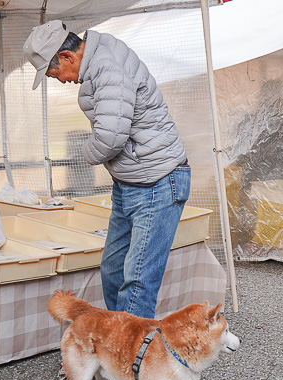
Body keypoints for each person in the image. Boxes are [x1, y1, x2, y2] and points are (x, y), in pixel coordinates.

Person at [24, 21, 190, 319]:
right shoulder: (98, 61)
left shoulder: (107, 68)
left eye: (54, 73)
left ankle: (132, 360)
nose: (59, 80)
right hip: (132, 181)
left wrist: (82, 155)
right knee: (114, 268)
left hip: (157, 181)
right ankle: (118, 345)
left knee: (138, 280)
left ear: (67, 57)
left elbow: (110, 138)